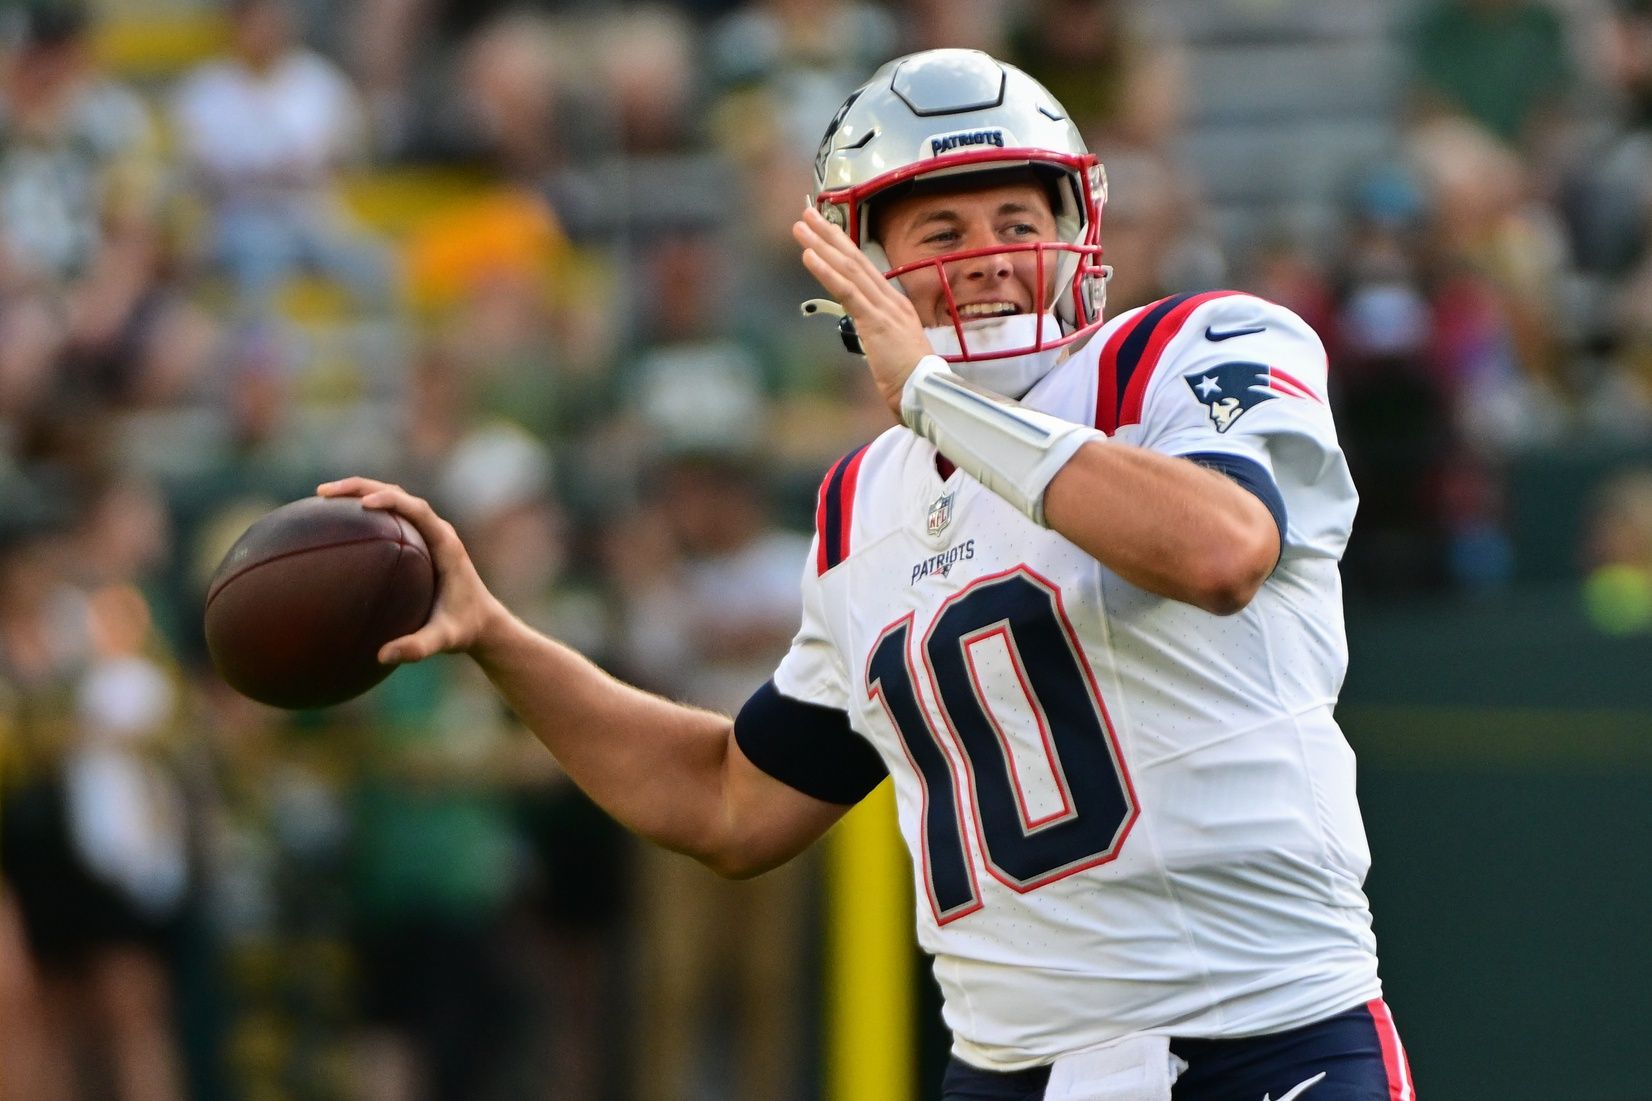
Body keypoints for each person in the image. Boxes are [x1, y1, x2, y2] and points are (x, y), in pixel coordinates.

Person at [321, 48, 1414, 1100]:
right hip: (1011, 1072)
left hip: (1265, 1037)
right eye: (940, 228)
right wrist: (496, 637)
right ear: (860, 268)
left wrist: (937, 397)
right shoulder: (864, 508)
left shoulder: (1186, 351)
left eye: (1015, 221)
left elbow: (1219, 552)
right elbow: (726, 801)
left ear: (1078, 229)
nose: (985, 254)